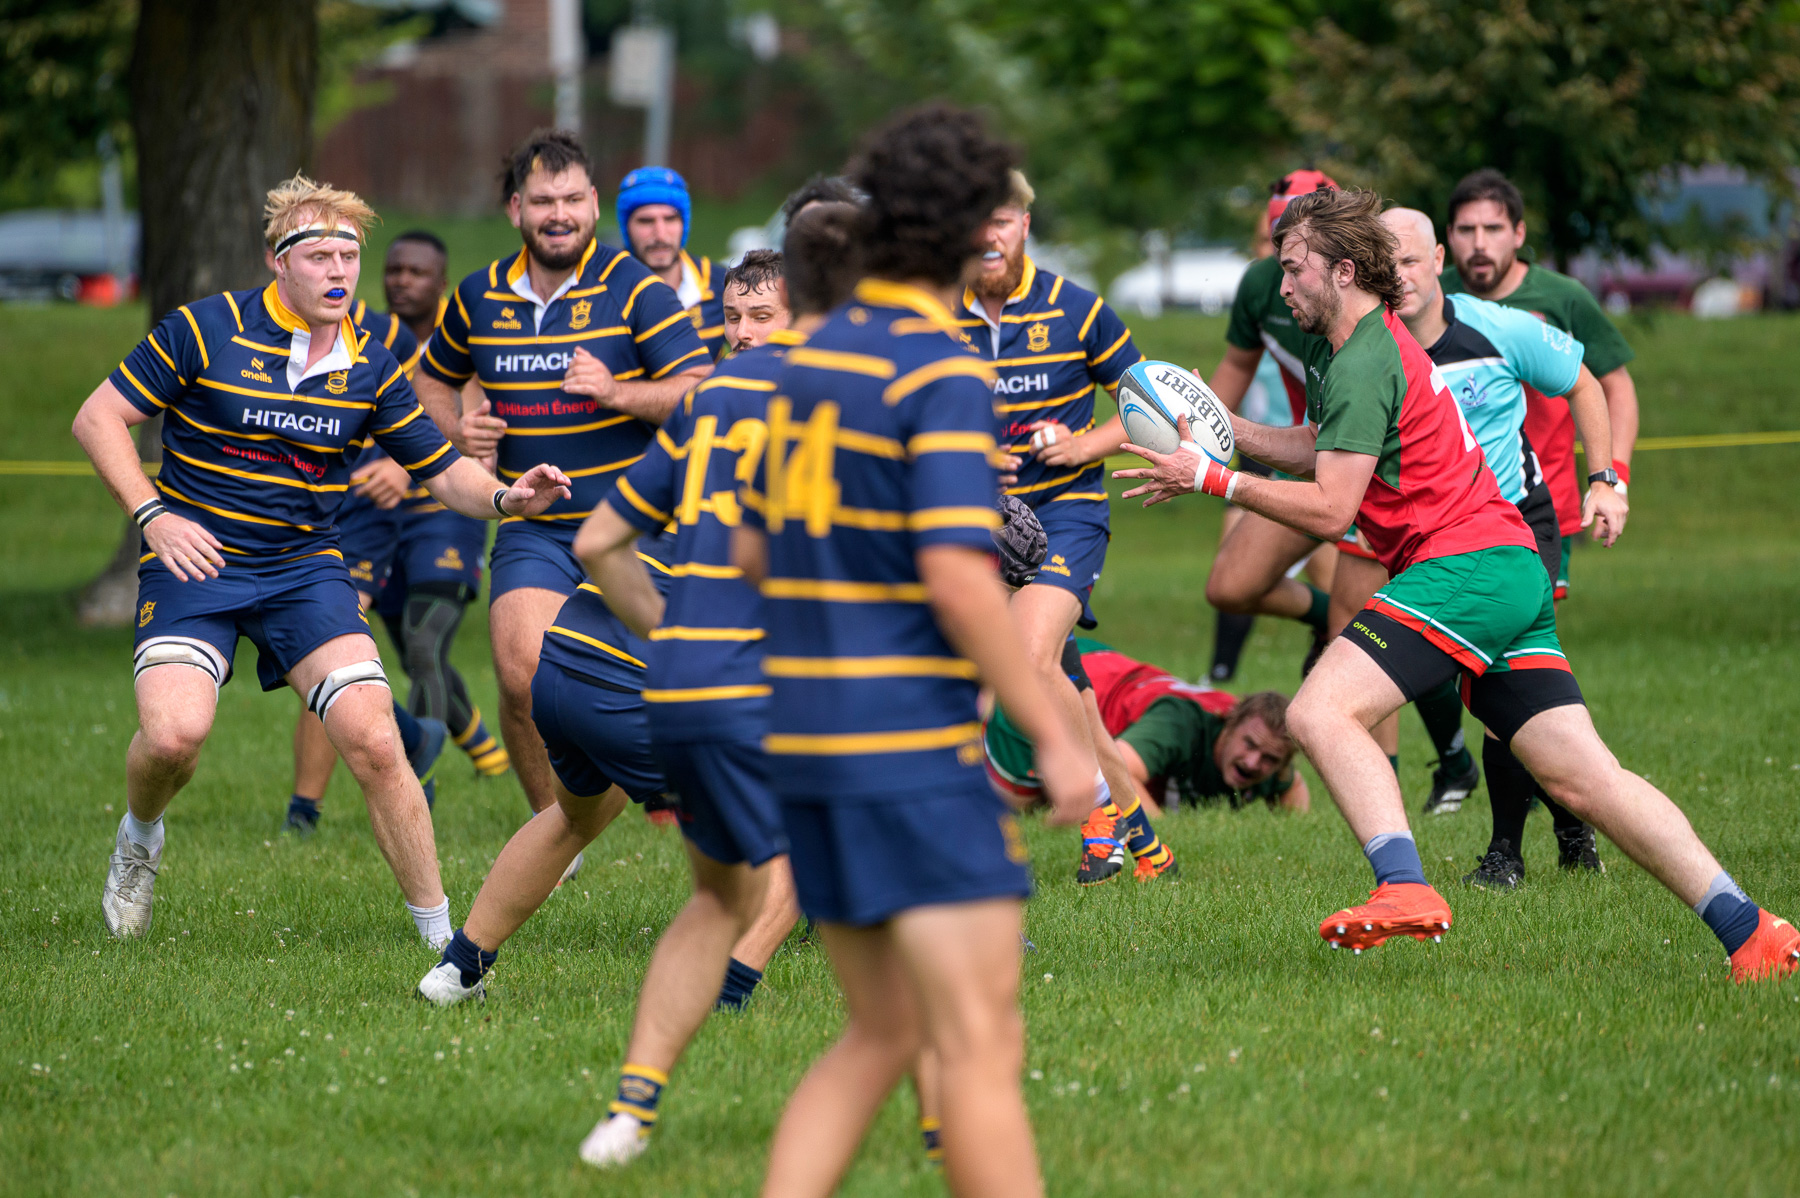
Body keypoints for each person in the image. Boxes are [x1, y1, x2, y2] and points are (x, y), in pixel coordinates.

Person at [1116, 186, 1799, 984]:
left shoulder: (1367, 352)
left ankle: (1403, 887)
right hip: (1506, 567)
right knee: (1587, 779)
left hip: (1465, 566)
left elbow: (1334, 506)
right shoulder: (1350, 346)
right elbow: (1319, 446)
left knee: (1319, 709)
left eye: (1294, 268)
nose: (1282, 285)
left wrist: (1213, 479)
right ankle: (1753, 931)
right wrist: (1225, 437)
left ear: (1341, 270)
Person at [71, 174, 572, 945]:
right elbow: (98, 416)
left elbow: (441, 470)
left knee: (375, 740)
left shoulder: (372, 363)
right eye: (321, 256)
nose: (340, 271)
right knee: (174, 737)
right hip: (195, 560)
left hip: (304, 569)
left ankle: (447, 943)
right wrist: (153, 515)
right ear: (279, 261)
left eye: (350, 255)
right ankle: (140, 837)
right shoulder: (205, 329)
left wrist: (508, 499)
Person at [741, 107, 1092, 1198]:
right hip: (902, 748)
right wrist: (1056, 736)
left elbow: (754, 545)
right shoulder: (937, 368)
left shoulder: (805, 361)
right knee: (978, 1045)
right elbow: (959, 572)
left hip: (803, 741)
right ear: (957, 230)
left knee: (882, 1032)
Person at [571, 218, 859, 1168]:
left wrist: (671, 631)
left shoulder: (712, 395)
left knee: (719, 893)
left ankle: (630, 1111)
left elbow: (596, 543)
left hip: (686, 683)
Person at [411, 130, 711, 830]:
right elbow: (431, 375)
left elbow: (702, 385)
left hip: (640, 525)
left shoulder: (632, 287)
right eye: (543, 199)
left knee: (675, 678)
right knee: (521, 677)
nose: (559, 213)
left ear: (594, 205)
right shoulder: (478, 296)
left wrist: (619, 393)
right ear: (516, 208)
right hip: (535, 525)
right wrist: (457, 429)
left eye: (573, 198)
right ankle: (557, 834)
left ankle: (710, 799)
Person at [1381, 207, 1629, 882]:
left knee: (1498, 684)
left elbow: (1584, 382)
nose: (1398, 276)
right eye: (1385, 262)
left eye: (1409, 260)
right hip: (1437, 537)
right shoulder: (1371, 350)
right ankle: (1574, 825)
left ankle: (1505, 854)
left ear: (1439, 260)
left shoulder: (1497, 328)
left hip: (1518, 527)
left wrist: (1605, 480)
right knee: (1503, 689)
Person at [956, 168, 1178, 887]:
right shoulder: (932, 316)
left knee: (1026, 652)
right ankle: (1144, 843)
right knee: (1071, 694)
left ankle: (1098, 810)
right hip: (974, 524)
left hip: (1063, 517)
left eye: (1001, 220)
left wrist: (1084, 445)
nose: (987, 236)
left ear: (1025, 224)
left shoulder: (1078, 310)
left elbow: (1156, 407)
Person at [284, 232, 507, 835]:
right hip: (368, 517)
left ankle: (412, 786)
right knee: (374, 655)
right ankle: (470, 742)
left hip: (442, 512)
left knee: (421, 644)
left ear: (441, 281)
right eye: (394, 269)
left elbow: (460, 431)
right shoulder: (354, 331)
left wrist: (403, 461)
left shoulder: (458, 341)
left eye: (418, 272)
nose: (403, 280)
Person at [1442, 168, 1641, 601]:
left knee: (1517, 636)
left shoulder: (1561, 297)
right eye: (1467, 230)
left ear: (1518, 234)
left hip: (1538, 501)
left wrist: (1613, 478)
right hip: (1446, 502)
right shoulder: (1429, 301)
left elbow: (1615, 388)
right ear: (1446, 238)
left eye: (1493, 229)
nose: (1479, 244)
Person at [1206, 171, 1343, 682]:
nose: (1284, 277)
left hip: (1378, 466)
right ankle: (1327, 623)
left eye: (1297, 255)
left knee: (1365, 616)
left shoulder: (1367, 316)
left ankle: (1449, 757)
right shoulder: (1263, 284)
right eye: (1276, 245)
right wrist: (1197, 430)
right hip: (1310, 451)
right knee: (1230, 582)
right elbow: (1238, 365)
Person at [985, 639, 1309, 814]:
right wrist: (1161, 844)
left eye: (1269, 759)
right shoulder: (1179, 723)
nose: (1253, 762)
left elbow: (1293, 789)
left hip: (1102, 667)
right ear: (1229, 721)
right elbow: (1118, 774)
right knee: (1007, 814)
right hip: (1056, 688)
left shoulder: (1268, 742)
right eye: (1249, 745)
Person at [617, 166, 731, 360]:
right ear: (626, 227)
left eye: (670, 219)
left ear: (684, 224)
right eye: (646, 221)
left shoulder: (722, 283)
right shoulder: (600, 287)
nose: (660, 234)